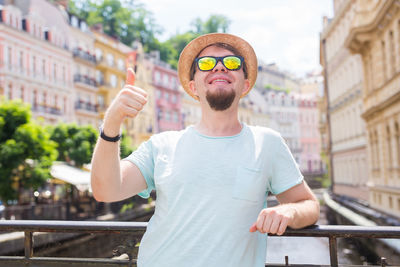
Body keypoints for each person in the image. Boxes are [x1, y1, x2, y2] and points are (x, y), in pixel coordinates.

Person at [91, 33, 320, 267]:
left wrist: (289, 212)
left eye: (231, 63)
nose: (219, 68)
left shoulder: (267, 143)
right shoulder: (161, 145)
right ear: (193, 87)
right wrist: (112, 121)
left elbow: (310, 206)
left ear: (245, 85)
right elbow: (106, 191)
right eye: (206, 63)